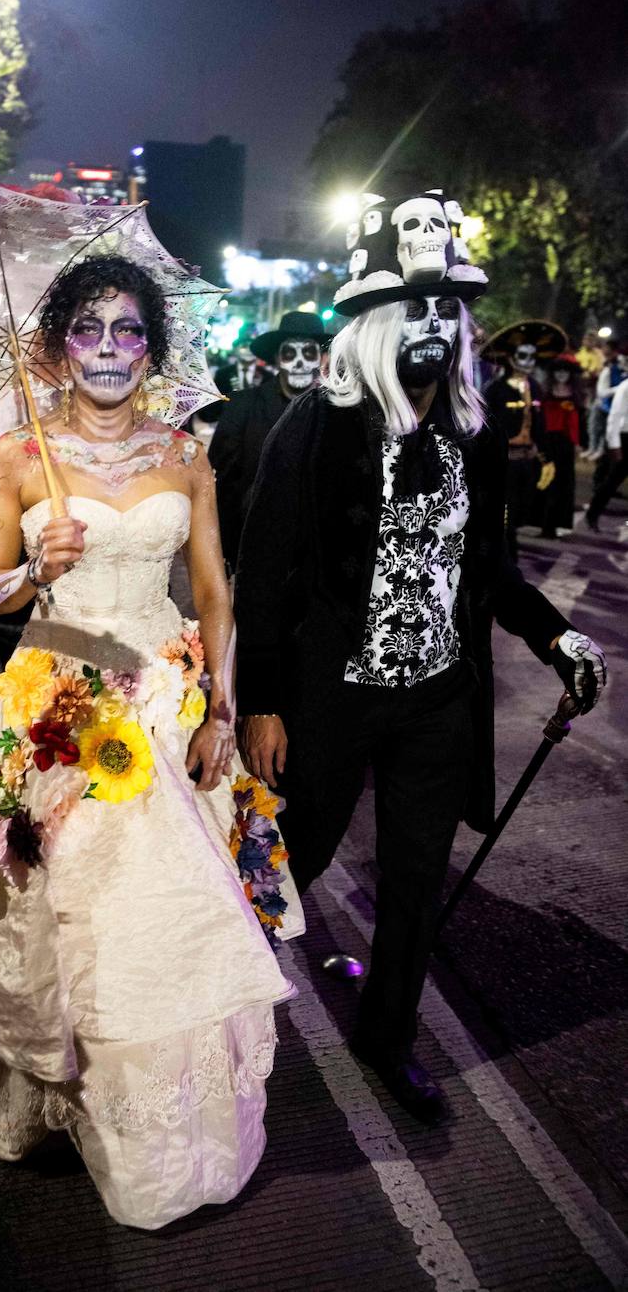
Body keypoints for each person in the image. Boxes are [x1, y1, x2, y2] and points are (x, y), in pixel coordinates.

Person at [0, 255, 304, 1229]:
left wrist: (221, 709)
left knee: (176, 912)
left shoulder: (186, 454)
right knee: (75, 913)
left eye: (127, 330)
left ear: (150, 349)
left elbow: (211, 589)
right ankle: (78, 1102)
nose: (107, 348)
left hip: (166, 704)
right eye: (87, 329)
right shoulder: (18, 455)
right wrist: (33, 570)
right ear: (57, 347)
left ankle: (178, 1134)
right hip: (61, 702)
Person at [235, 190, 607, 1125]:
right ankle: (223, 1022)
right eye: (414, 307)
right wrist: (262, 703)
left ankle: (388, 1035)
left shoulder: (472, 439)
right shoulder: (316, 427)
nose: (433, 324)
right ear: (374, 322)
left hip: (438, 699)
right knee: (287, 863)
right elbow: (264, 577)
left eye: (447, 308)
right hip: (333, 698)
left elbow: (491, 571)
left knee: (414, 879)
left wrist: (557, 638)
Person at [209, 310, 330, 569]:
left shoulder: (337, 411)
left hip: (317, 559)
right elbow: (223, 486)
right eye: (290, 354)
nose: (299, 363)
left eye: (309, 353)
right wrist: (225, 552)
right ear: (277, 358)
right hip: (257, 552)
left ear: (320, 358)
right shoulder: (243, 406)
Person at [481, 321, 566, 559]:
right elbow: (485, 429)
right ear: (510, 357)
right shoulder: (494, 390)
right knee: (504, 513)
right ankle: (507, 558)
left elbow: (540, 427)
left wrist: (546, 460)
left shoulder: (535, 388)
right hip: (503, 462)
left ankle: (507, 551)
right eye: (523, 355)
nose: (529, 362)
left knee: (520, 511)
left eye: (533, 356)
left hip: (526, 461)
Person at [537, 354, 582, 538]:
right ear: (553, 373)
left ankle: (557, 525)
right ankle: (545, 526)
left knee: (563, 484)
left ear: (570, 374)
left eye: (565, 371)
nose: (562, 374)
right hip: (547, 441)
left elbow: (576, 422)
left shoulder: (575, 394)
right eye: (558, 371)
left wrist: (576, 443)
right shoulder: (544, 392)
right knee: (546, 481)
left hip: (565, 444)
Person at [585, 374, 628, 531]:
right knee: (611, 481)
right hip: (624, 438)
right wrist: (615, 445)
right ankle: (592, 515)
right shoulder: (625, 387)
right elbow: (615, 417)